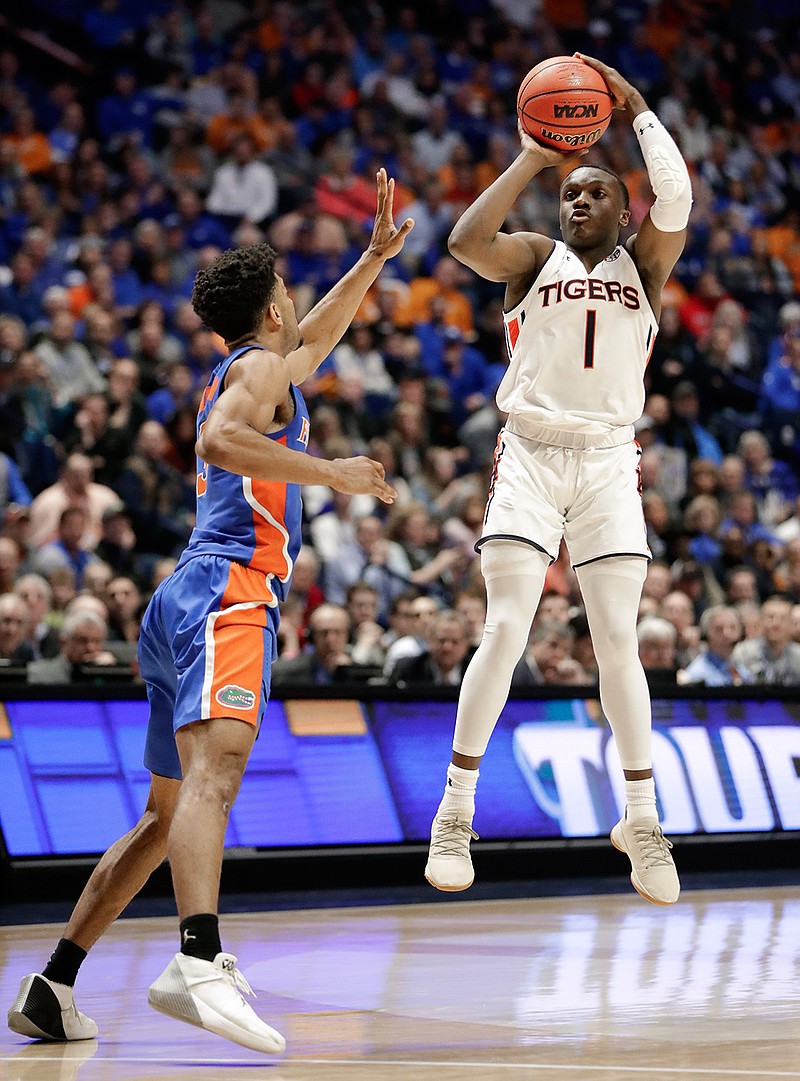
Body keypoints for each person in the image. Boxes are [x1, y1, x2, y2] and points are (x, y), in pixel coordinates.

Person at [9, 169, 411, 1052]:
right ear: (272, 309)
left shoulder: (263, 365)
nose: (299, 305)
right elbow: (218, 440)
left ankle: (55, 983)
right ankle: (198, 961)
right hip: (232, 588)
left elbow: (317, 344)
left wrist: (372, 258)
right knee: (213, 783)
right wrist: (335, 474)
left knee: (166, 816)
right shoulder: (259, 373)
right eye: (289, 294)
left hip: (182, 597)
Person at [425, 55, 691, 907]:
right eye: (570, 192)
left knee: (618, 638)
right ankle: (456, 808)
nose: (579, 201)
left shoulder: (644, 269)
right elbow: (464, 240)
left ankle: (640, 816)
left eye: (595, 192)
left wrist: (640, 108)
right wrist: (536, 156)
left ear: (622, 209)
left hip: (611, 457)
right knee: (507, 628)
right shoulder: (532, 258)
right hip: (532, 453)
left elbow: (677, 202)